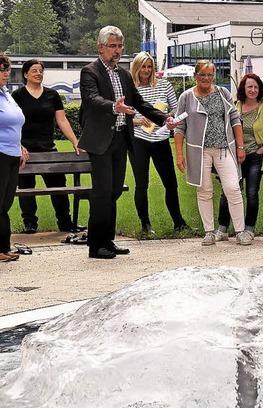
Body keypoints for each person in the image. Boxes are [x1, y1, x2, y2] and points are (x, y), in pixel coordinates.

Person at [79, 26, 174, 259]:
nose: (117, 50)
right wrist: (114, 107)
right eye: (113, 46)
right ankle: (95, 245)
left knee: (113, 192)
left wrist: (164, 118)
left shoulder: (123, 74)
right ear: (100, 47)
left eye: (120, 46)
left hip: (121, 139)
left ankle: (108, 241)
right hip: (100, 141)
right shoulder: (89, 72)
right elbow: (92, 100)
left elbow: (140, 103)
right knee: (102, 192)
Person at [174, 60, 252, 246]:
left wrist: (240, 147)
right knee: (204, 190)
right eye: (202, 75)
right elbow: (179, 127)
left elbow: (235, 119)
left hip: (224, 149)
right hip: (199, 151)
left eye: (210, 75)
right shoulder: (186, 97)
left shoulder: (222, 93)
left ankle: (240, 231)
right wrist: (179, 154)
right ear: (195, 76)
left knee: (233, 188)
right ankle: (209, 232)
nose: (206, 78)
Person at [12, 59, 81, 234]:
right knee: (26, 189)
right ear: (26, 74)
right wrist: (18, 145)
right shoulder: (17, 96)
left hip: (48, 149)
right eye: (34, 70)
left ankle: (65, 223)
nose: (38, 73)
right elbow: (12, 124)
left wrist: (75, 141)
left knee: (59, 188)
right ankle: (30, 224)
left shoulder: (52, 95)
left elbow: (62, 120)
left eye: (41, 70)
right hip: (25, 151)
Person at [214, 73, 263, 242]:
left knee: (251, 193)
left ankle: (249, 229)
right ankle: (222, 229)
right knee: (228, 191)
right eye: (249, 86)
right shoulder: (234, 107)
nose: (253, 90)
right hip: (234, 157)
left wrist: (260, 150)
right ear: (243, 88)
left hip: (255, 157)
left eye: (256, 87)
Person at [129, 51, 188, 236]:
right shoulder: (130, 87)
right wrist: (138, 121)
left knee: (170, 183)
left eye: (149, 67)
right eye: (143, 67)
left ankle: (179, 222)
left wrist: (168, 116)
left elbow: (176, 108)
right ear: (136, 68)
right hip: (139, 139)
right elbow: (121, 116)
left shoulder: (164, 85)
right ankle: (145, 225)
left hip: (160, 138)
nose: (146, 70)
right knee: (141, 184)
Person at [0, 52, 28, 262]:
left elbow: (13, 123)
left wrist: (20, 146)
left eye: (7, 69)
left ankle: (4, 246)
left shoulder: (6, 94)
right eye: (2, 69)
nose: (5, 73)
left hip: (11, 154)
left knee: (5, 204)